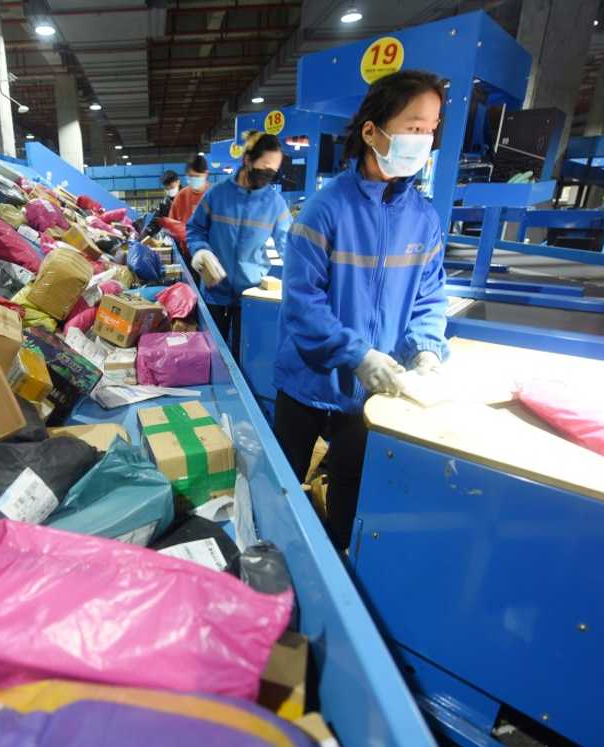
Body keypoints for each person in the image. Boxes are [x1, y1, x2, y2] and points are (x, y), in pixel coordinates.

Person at [272, 70, 449, 552]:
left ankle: (336, 576)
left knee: (350, 488)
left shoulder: (424, 218)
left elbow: (431, 297)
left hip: (370, 394)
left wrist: (427, 351)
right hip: (309, 382)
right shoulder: (325, 210)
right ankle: (276, 563)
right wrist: (356, 354)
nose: (423, 139)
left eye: (431, 128)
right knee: (284, 483)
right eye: (413, 126)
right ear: (372, 131)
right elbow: (302, 304)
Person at [186, 132, 291, 357]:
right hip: (214, 292)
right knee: (212, 356)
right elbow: (195, 229)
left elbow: (290, 248)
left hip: (252, 298)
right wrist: (200, 251)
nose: (268, 175)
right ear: (247, 160)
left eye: (273, 171)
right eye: (264, 168)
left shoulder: (276, 205)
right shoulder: (217, 194)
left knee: (246, 360)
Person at [168, 155, 211, 225]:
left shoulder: (215, 195)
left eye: (197, 176)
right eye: (190, 176)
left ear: (206, 174)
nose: (193, 179)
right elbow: (171, 224)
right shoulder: (181, 196)